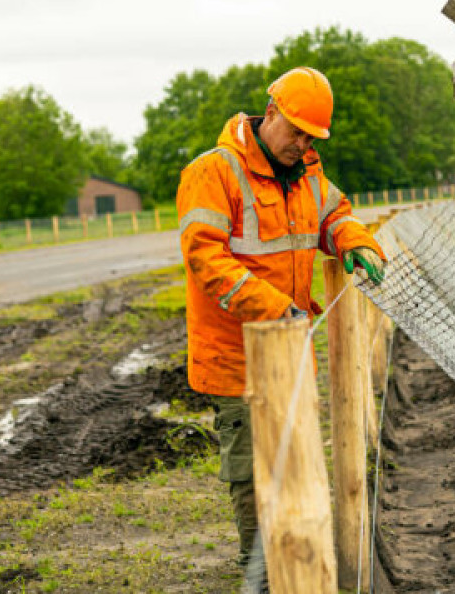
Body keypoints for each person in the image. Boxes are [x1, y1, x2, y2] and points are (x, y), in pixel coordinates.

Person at [176, 66, 386, 572]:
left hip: (290, 346)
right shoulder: (214, 173)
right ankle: (263, 572)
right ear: (271, 113)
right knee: (253, 470)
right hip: (236, 355)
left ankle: (297, 561)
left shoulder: (307, 171)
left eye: (312, 137)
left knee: (294, 459)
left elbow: (336, 214)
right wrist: (274, 309)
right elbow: (206, 260)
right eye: (296, 132)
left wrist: (355, 241)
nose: (303, 145)